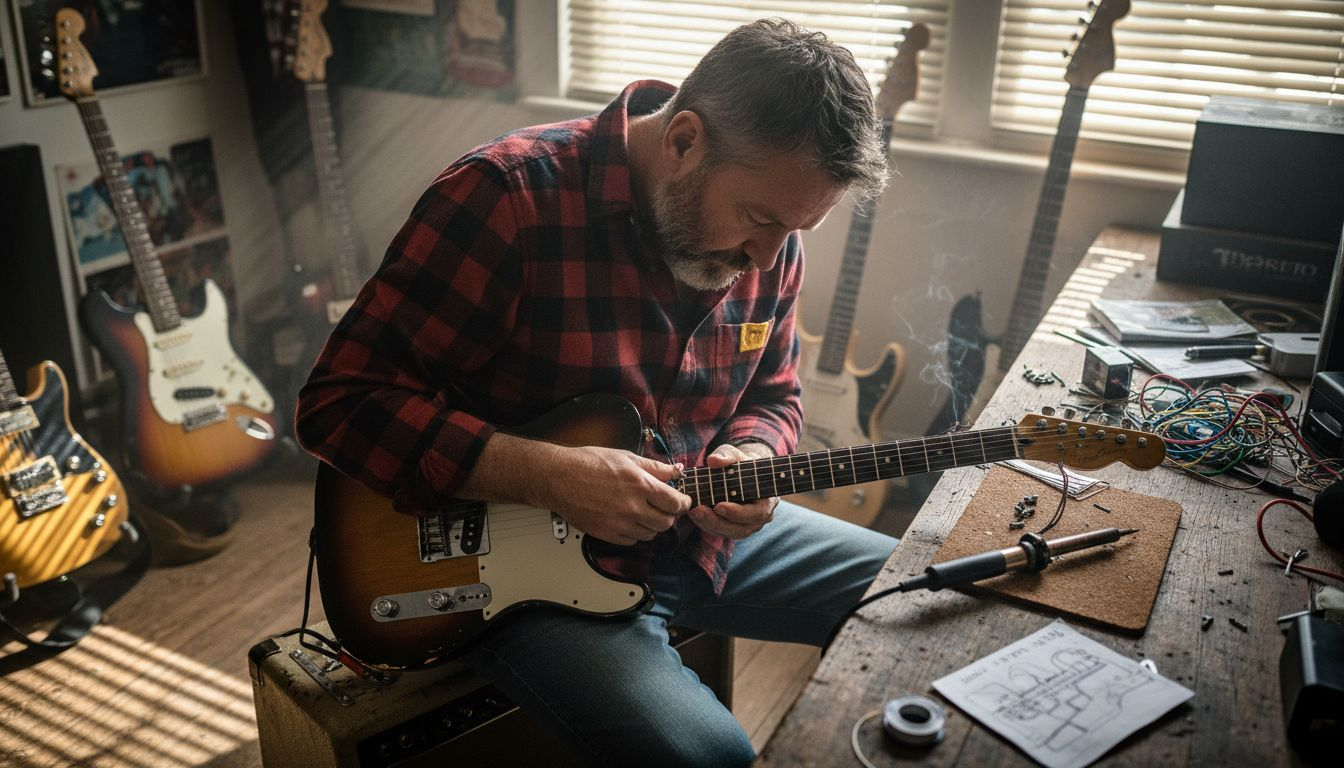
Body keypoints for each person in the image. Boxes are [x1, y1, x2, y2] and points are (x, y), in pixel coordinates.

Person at [296, 18, 898, 766]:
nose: (767, 258)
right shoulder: (506, 197)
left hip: (700, 541)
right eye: (762, 220)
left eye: (799, 228)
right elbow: (340, 401)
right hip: (516, 573)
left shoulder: (771, 238)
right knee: (711, 757)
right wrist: (548, 475)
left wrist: (752, 450)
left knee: (921, 594)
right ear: (683, 141)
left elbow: (775, 393)